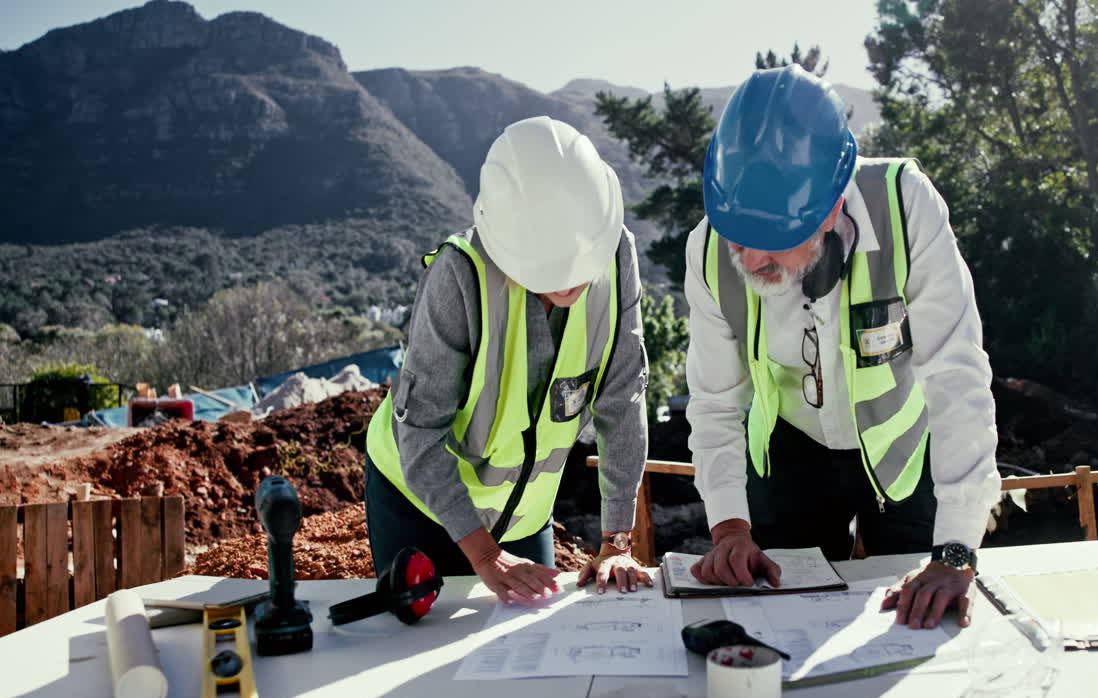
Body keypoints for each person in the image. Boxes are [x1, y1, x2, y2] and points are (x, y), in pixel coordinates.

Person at [684, 65, 1001, 630]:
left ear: (831, 207)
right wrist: (730, 526)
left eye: (776, 244)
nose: (753, 263)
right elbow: (715, 401)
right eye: (740, 240)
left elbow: (957, 373)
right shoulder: (706, 253)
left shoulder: (906, 206)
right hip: (789, 458)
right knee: (782, 624)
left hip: (903, 453)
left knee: (916, 624)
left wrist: (956, 550)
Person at [364, 116, 652, 606]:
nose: (569, 282)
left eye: (579, 265)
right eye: (550, 270)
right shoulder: (460, 278)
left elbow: (622, 400)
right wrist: (484, 555)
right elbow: (420, 433)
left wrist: (617, 542)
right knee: (421, 653)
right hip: (421, 504)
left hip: (525, 512)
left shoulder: (616, 255)